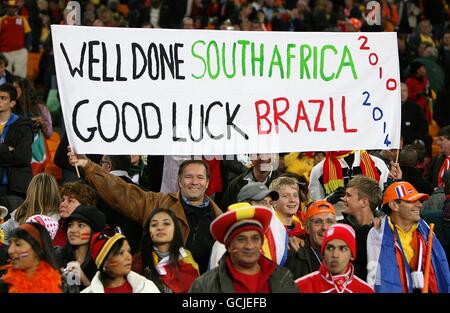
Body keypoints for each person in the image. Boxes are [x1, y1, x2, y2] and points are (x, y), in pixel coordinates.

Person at [67, 151, 222, 274]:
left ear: (207, 182)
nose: (194, 182)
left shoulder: (219, 219)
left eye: (200, 177)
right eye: (188, 177)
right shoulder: (158, 203)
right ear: (179, 181)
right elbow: (121, 192)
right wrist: (89, 166)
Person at [189, 204, 298, 293]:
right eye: (241, 239)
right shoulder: (204, 286)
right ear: (229, 246)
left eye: (255, 238)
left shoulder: (283, 278)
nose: (249, 246)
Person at [367, 181, 450, 293]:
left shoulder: (426, 230)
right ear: (394, 205)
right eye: (412, 201)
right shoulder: (377, 234)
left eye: (419, 201)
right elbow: (374, 279)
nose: (420, 204)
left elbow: (442, 270)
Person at [208, 183, 288, 269]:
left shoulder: (274, 235)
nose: (269, 208)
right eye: (263, 202)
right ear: (245, 205)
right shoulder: (225, 244)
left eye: (270, 203)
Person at [295, 223, 374, 293]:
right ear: (323, 253)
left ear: (352, 255)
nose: (335, 255)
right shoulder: (300, 287)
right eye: (330, 248)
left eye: (343, 249)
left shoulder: (366, 290)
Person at [135, 208, 199, 293]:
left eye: (166, 223)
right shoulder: (137, 262)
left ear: (175, 229)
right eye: (154, 225)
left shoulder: (188, 263)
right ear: (148, 231)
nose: (160, 228)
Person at [81, 228, 160, 293]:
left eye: (128, 251)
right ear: (104, 262)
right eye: (120, 253)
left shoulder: (147, 287)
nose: (128, 257)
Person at [55, 205, 106, 292]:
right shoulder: (57, 256)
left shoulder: (102, 265)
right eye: (70, 225)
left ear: (94, 232)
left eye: (81, 226)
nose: (73, 230)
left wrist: (84, 280)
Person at [0, 222, 62, 293]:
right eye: (10, 243)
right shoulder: (4, 286)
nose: (10, 251)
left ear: (37, 249)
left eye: (18, 244)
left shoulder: (61, 285)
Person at [0, 173, 60, 244]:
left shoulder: (60, 217)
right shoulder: (20, 213)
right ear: (55, 191)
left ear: (31, 191)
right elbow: (2, 233)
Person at [341, 175, 382, 279]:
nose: (343, 199)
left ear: (364, 202)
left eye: (348, 196)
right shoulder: (341, 229)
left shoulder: (384, 229)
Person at [0, 83, 32, 213]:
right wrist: (8, 149)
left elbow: (23, 157)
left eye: (3, 98)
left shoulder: (23, 125)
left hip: (15, 188)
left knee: (13, 229)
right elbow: (16, 155)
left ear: (12, 103)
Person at [285, 200, 337, 280]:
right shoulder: (294, 254)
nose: (325, 227)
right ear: (307, 228)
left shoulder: (346, 252)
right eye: (318, 222)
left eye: (330, 222)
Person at [309, 150, 389, 200]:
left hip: (370, 221)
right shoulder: (318, 170)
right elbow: (315, 206)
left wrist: (395, 181)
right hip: (336, 222)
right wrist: (329, 200)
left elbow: (386, 197)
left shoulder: (377, 163)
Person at [53, 180, 96, 247]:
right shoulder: (55, 228)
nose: (62, 204)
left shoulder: (98, 231)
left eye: (70, 201)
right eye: (63, 200)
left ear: (84, 204)